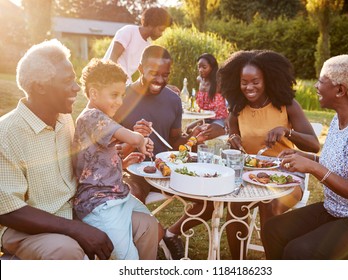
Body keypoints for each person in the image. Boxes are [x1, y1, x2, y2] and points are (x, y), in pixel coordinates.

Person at [262, 54, 348, 260]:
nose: (316, 86)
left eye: (322, 81)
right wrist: (306, 157)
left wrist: (313, 168)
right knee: (273, 230)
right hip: (336, 210)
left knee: (298, 251)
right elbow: (338, 166)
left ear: (340, 90)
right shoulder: (339, 119)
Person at [0, 39, 113, 260]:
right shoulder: (6, 134)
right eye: (68, 81)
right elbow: (9, 210)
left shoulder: (64, 118)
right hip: (24, 230)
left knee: (143, 224)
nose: (76, 87)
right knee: (66, 250)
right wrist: (75, 229)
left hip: (74, 212)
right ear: (40, 86)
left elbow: (78, 166)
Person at [114, 45, 214, 259]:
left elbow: (175, 140)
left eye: (165, 75)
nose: (160, 80)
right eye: (154, 74)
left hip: (170, 170)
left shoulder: (173, 100)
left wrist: (192, 137)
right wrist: (132, 136)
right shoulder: (121, 96)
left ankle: (169, 234)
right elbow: (107, 141)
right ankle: (138, 252)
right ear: (140, 68)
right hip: (134, 170)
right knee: (130, 198)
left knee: (210, 200)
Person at [218, 50, 320, 259]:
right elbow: (232, 129)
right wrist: (233, 138)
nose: (249, 87)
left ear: (268, 79)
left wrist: (287, 131)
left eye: (255, 81)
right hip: (251, 175)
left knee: (269, 205)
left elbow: (314, 144)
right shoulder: (238, 107)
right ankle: (239, 266)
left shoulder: (286, 105)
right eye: (244, 82)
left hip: (287, 174)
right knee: (235, 208)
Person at [72, 58, 159, 260]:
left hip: (118, 196)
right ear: (94, 93)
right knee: (128, 259)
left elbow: (98, 159)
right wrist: (139, 139)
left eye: (122, 95)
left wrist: (123, 163)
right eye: (114, 95)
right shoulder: (91, 117)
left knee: (151, 224)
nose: (120, 101)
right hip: (100, 204)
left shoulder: (100, 118)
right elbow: (128, 135)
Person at [103, 7, 172, 84]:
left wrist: (165, 87)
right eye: (160, 30)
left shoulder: (148, 46)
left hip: (124, 83)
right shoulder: (129, 31)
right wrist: (118, 81)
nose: (161, 34)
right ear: (152, 24)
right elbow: (112, 58)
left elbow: (143, 73)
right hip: (108, 78)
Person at [185, 53, 228, 139]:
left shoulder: (219, 82)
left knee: (205, 134)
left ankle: (224, 130)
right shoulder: (199, 79)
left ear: (212, 68)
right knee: (189, 130)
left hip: (218, 118)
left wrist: (229, 120)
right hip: (204, 118)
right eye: (199, 67)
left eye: (204, 67)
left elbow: (230, 100)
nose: (201, 70)